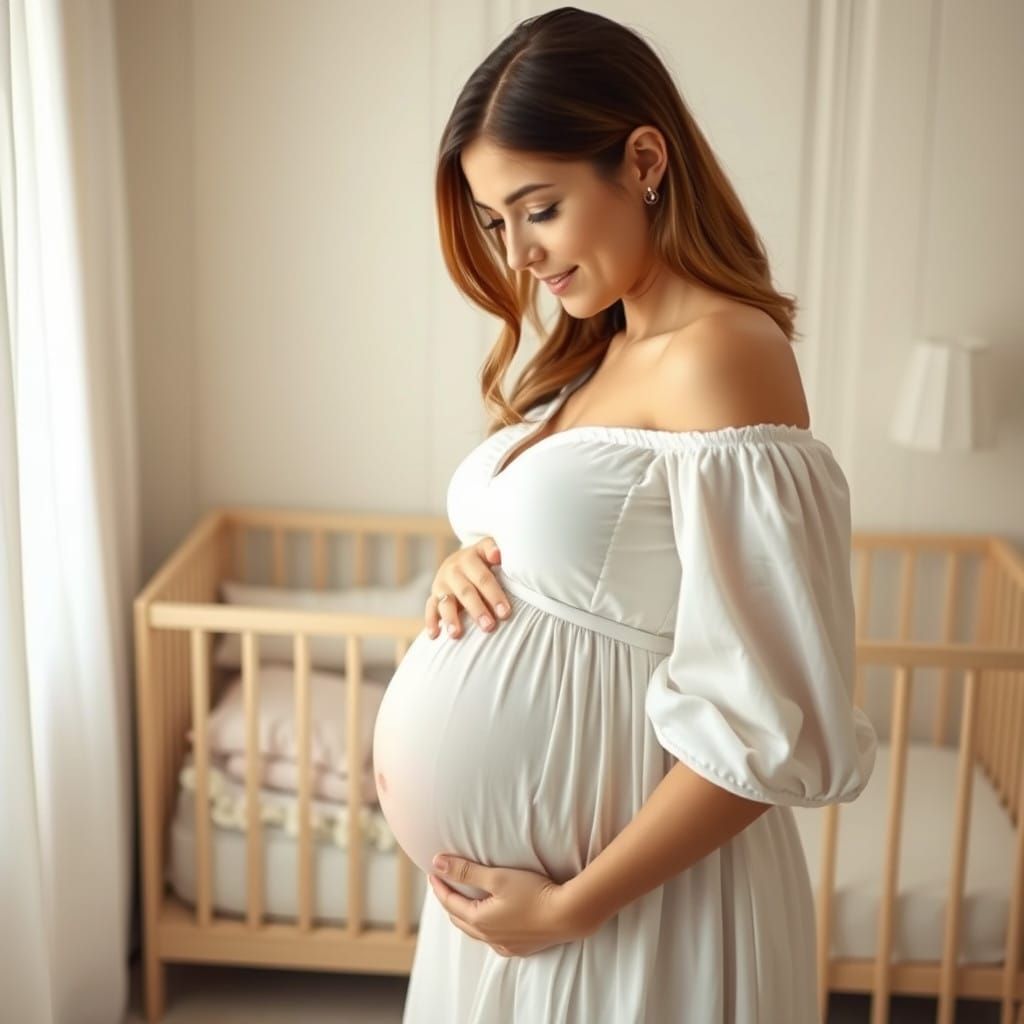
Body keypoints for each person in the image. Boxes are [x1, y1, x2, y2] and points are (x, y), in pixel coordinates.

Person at [372, 7, 878, 1022]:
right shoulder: (599, 351)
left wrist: (569, 906)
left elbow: (766, 716)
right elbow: (598, 561)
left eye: (538, 208)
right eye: (491, 219)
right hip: (519, 908)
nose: (516, 253)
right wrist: (469, 564)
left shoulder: (722, 352)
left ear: (642, 159)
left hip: (625, 905)